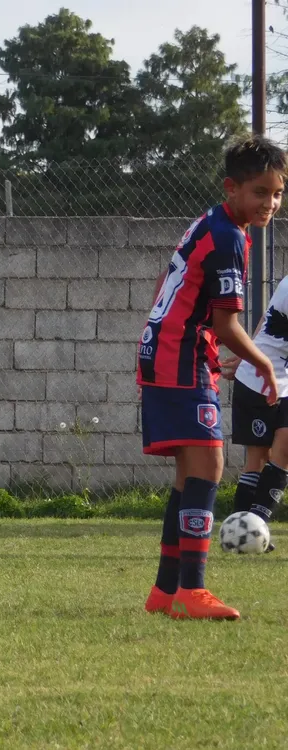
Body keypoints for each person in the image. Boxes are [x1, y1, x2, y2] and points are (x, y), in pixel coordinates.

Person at [139, 134, 284, 621]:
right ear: (232, 188)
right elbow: (227, 323)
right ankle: (192, 592)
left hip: (172, 351)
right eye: (260, 192)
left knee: (188, 474)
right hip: (176, 356)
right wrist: (259, 362)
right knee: (208, 468)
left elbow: (172, 286)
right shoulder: (227, 236)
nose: (270, 202)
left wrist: (198, 341)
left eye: (278, 193)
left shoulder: (213, 223)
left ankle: (165, 590)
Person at [220, 275, 288, 547]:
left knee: (284, 451)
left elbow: (265, 316)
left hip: (284, 380)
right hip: (258, 380)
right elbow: (269, 318)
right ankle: (238, 531)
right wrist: (251, 357)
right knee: (258, 458)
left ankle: (257, 526)